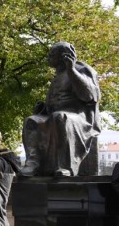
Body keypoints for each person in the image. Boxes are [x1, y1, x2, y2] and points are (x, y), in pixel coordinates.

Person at [21, 41, 101, 177]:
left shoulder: (81, 70)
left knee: (60, 117)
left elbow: (89, 96)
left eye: (52, 55)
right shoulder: (57, 76)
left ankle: (65, 166)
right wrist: (43, 108)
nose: (49, 58)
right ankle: (34, 163)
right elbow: (55, 101)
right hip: (55, 115)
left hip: (80, 118)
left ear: (64, 56)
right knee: (31, 120)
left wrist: (72, 70)